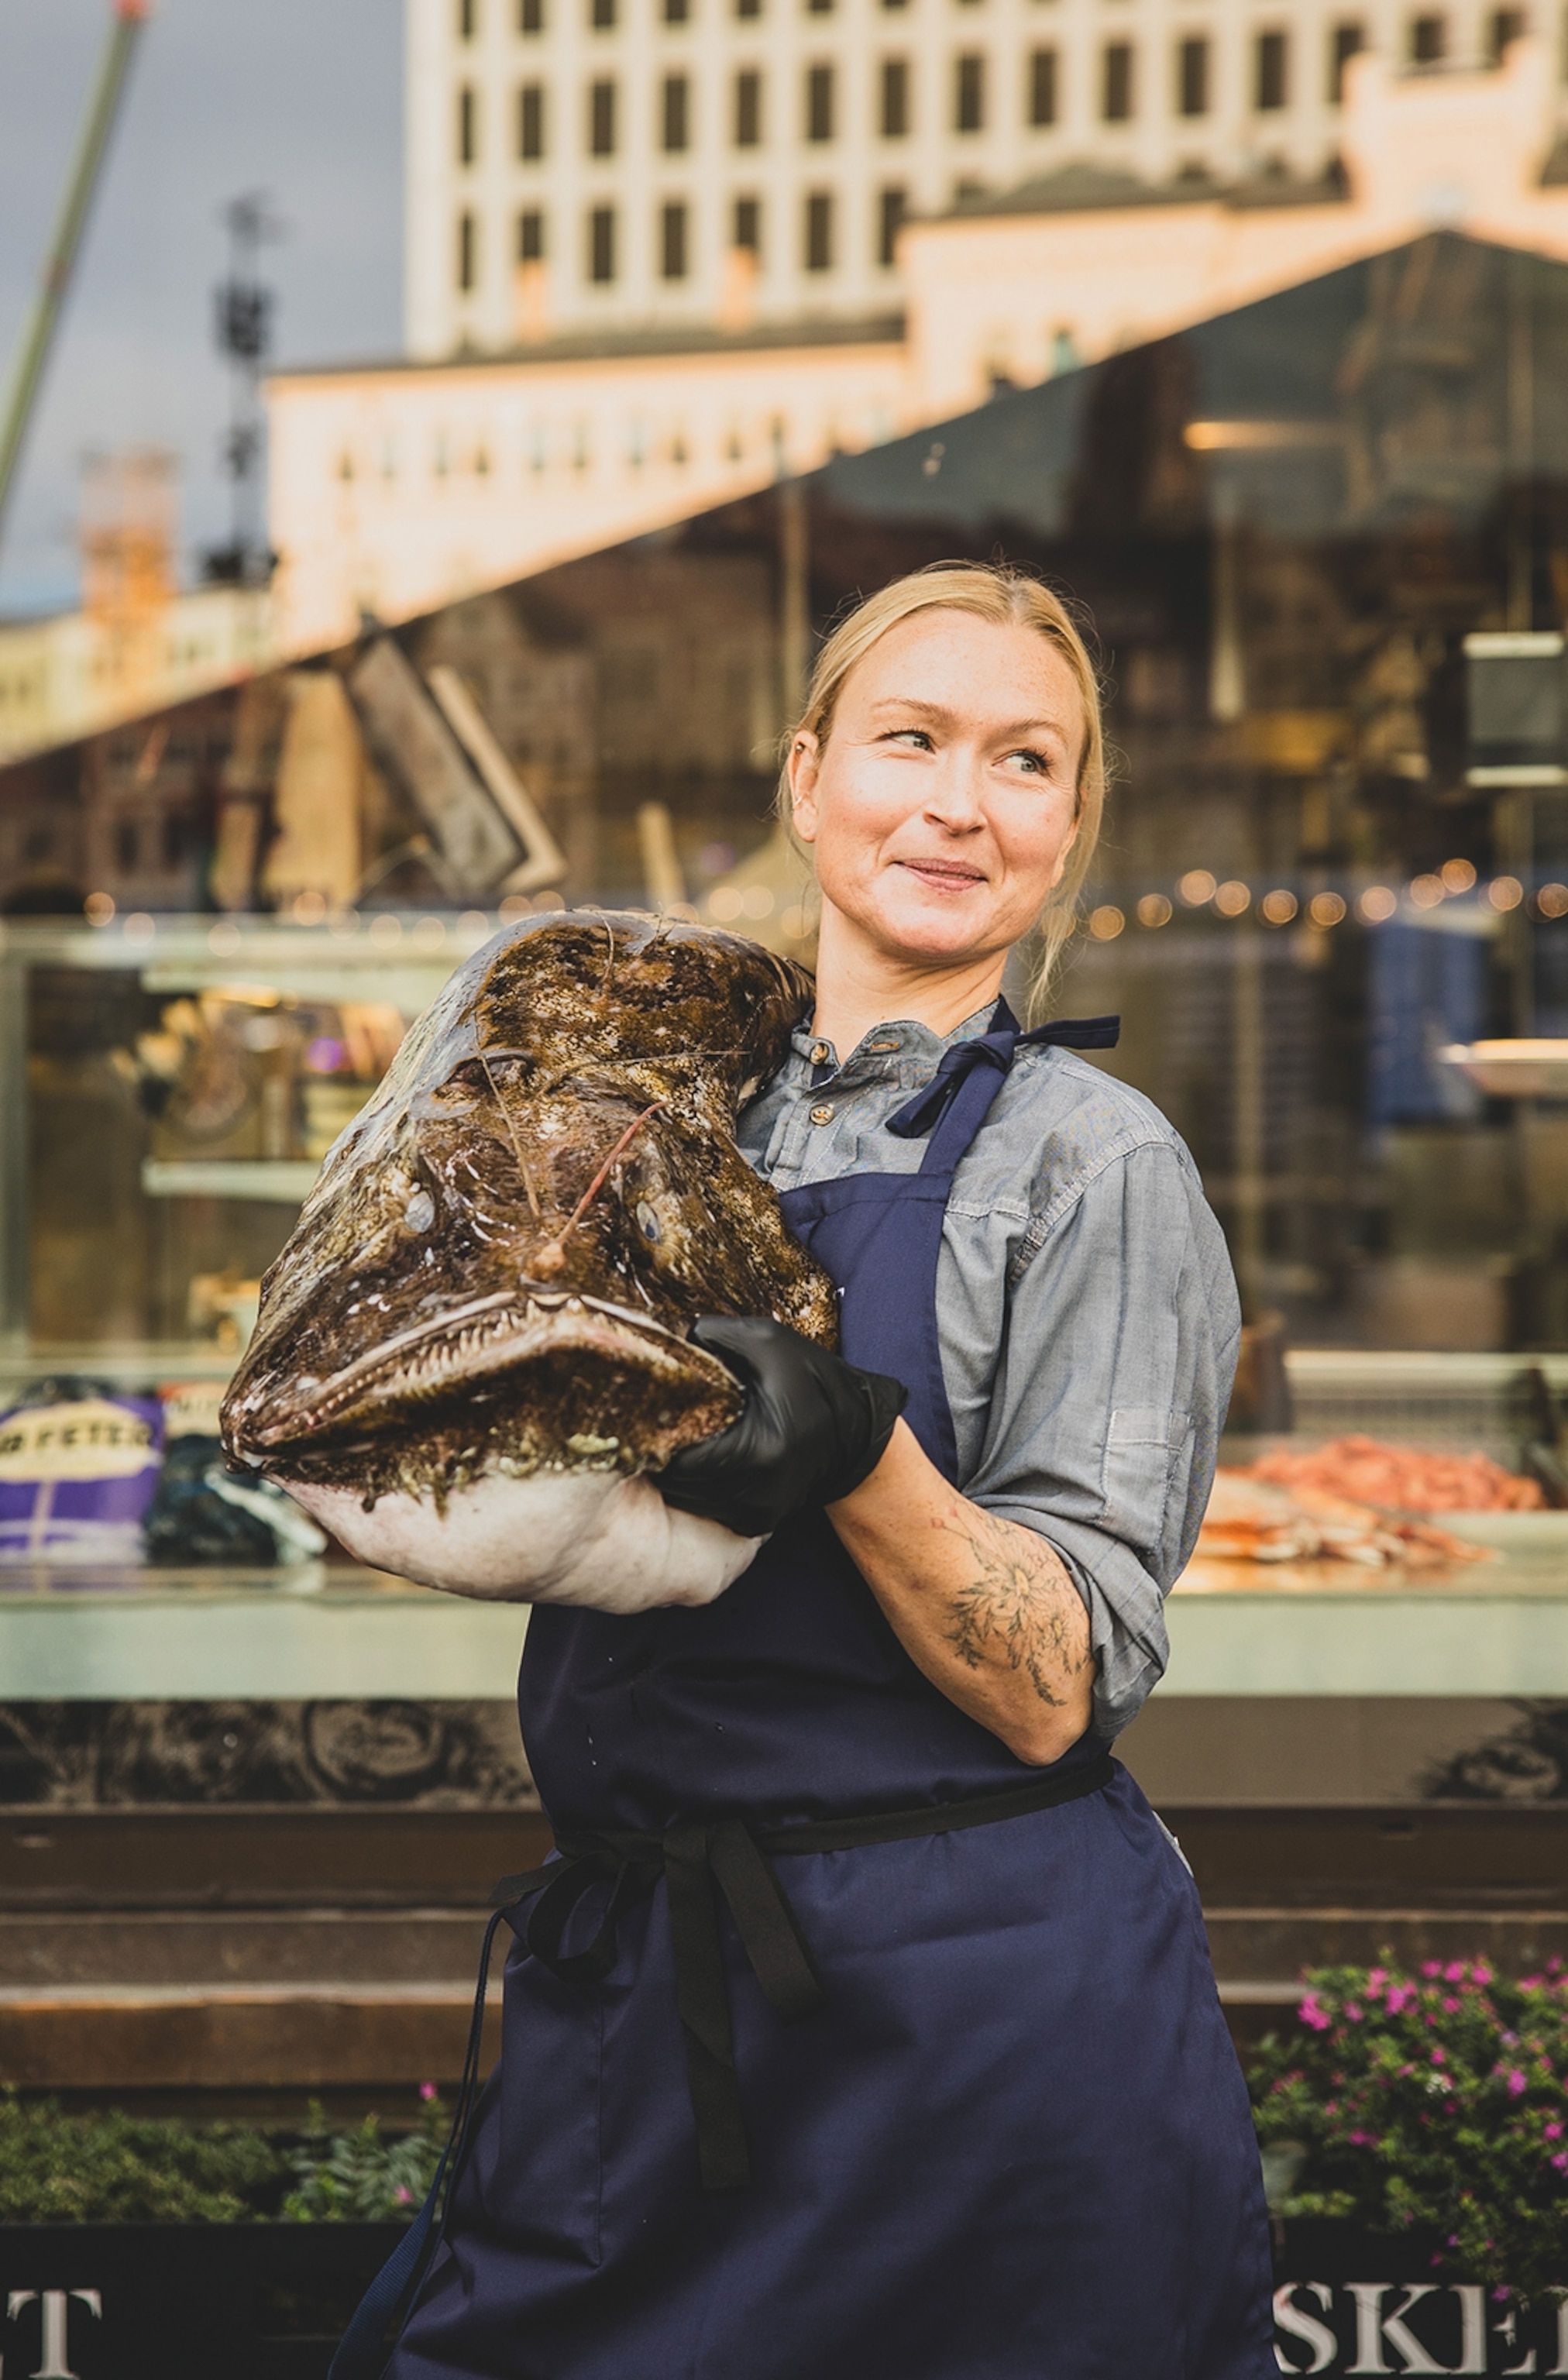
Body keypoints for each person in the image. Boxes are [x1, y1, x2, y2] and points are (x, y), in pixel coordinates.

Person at [375, 562, 1274, 2379]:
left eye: (1026, 761)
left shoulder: (1095, 1169)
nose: (960, 800)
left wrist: (856, 1456)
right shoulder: (642, 1114)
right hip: (645, 1986)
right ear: (806, 779)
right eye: (911, 739)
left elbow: (1061, 1688)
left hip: (974, 2037)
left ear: (1071, 824)